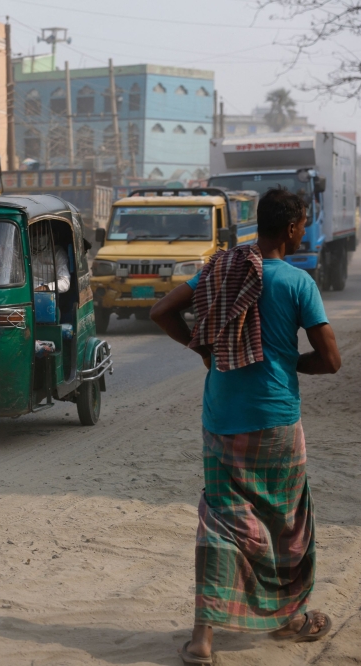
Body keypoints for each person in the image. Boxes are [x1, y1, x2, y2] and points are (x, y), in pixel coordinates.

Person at [150, 188, 341, 664]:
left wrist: (205, 352)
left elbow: (162, 312)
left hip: (222, 419)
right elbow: (332, 360)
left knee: (219, 523)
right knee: (286, 521)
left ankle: (202, 641)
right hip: (276, 419)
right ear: (294, 228)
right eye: (301, 225)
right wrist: (288, 363)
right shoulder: (298, 284)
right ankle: (291, 618)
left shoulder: (222, 271)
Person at [30, 223, 69, 293]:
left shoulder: (58, 253)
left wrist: (45, 288)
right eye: (35, 234)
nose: (38, 237)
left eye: (42, 233)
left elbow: (65, 283)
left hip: (46, 297)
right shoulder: (22, 252)